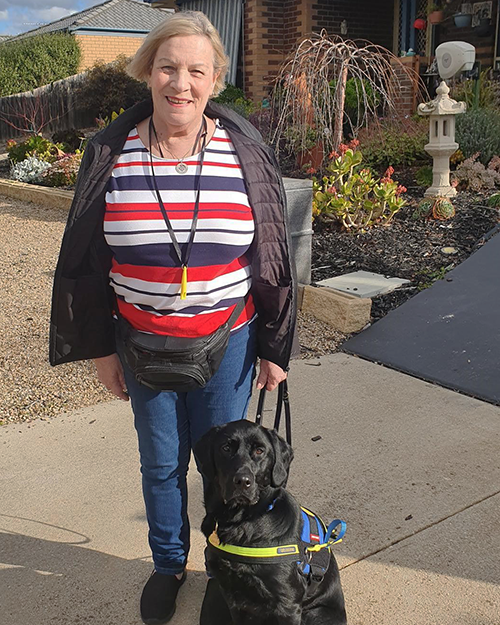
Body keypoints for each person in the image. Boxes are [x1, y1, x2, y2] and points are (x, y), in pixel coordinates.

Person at [49, 10, 296, 625]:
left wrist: (274, 345)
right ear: (147, 73)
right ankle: (168, 566)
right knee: (161, 466)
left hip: (229, 341)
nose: (179, 83)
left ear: (214, 80)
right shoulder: (111, 153)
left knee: (230, 465)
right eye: (166, 68)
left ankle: (226, 562)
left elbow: (271, 253)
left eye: (195, 70)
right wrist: (102, 348)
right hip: (144, 343)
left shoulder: (245, 150)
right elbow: (86, 258)